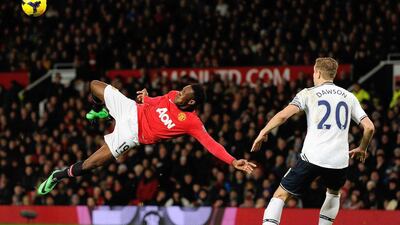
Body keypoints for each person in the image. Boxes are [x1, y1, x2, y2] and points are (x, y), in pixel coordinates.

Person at [37, 80, 256, 195]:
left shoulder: (192, 122)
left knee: (91, 164)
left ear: (191, 103)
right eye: (180, 90)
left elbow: (211, 144)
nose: (177, 94)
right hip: (131, 110)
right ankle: (102, 111)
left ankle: (59, 175)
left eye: (183, 94)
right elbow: (154, 102)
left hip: (132, 135)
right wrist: (146, 98)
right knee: (95, 85)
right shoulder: (172, 96)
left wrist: (233, 161)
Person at [251, 57, 375, 225]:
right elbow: (369, 128)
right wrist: (362, 147)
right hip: (339, 161)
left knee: (281, 195)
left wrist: (263, 131)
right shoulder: (349, 96)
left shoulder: (308, 93)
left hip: (313, 157)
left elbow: (283, 115)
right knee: (333, 193)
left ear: (317, 72)